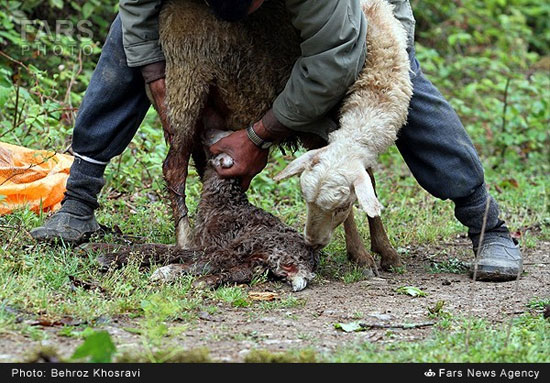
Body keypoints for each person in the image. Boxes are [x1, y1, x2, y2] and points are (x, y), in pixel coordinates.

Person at [30, 0, 521, 281]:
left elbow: (335, 57)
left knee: (390, 80)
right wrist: (155, 70)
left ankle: (486, 225)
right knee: (129, 41)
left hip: (361, 15)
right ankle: (79, 197)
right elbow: (139, 6)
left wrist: (259, 134)